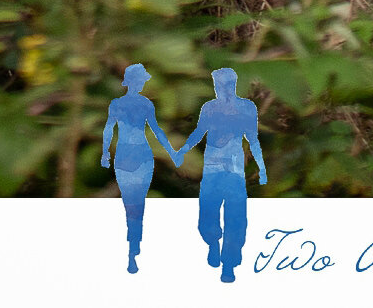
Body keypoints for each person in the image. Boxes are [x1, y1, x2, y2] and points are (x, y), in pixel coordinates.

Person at [174, 67, 267, 283]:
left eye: (225, 84)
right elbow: (199, 132)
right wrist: (183, 150)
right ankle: (213, 244)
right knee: (207, 216)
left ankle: (229, 263)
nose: (221, 89)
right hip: (212, 168)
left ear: (234, 85)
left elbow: (253, 140)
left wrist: (261, 167)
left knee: (235, 218)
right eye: (218, 85)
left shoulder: (246, 108)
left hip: (234, 171)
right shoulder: (209, 108)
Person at [101, 62, 180, 273]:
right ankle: (130, 251)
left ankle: (135, 251)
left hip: (140, 155)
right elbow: (108, 129)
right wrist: (105, 153)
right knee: (130, 204)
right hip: (128, 155)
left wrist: (172, 152)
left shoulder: (145, 104)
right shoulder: (119, 104)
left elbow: (156, 130)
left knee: (138, 204)